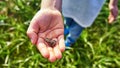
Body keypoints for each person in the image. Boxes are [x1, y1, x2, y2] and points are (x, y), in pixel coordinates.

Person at [26, 0, 118, 62]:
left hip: (87, 12)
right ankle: (66, 30)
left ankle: (70, 40)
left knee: (76, 30)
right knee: (67, 21)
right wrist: (50, 7)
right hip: (67, 6)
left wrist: (113, 3)